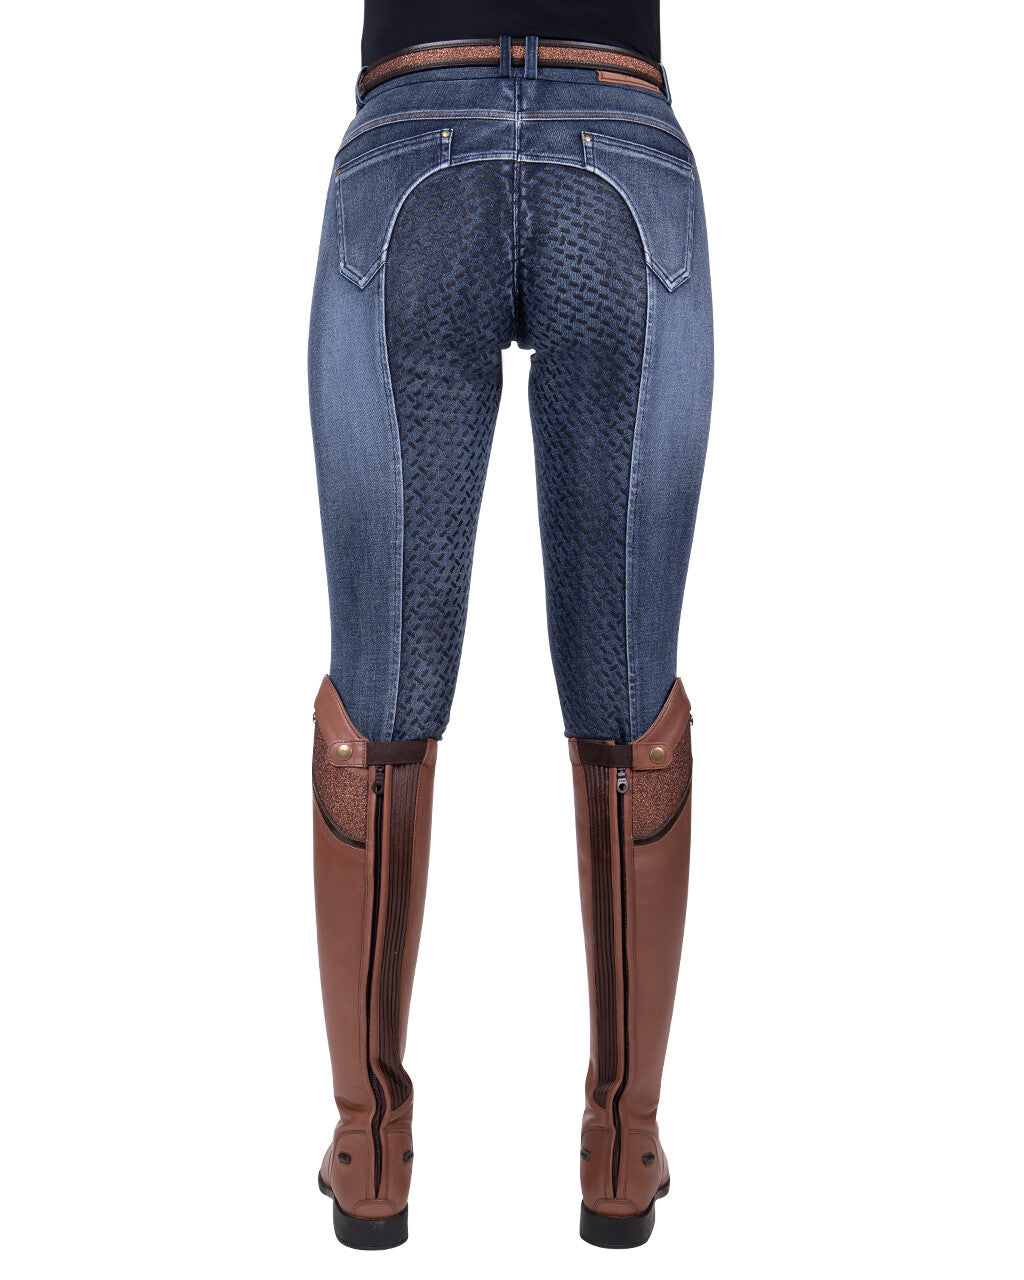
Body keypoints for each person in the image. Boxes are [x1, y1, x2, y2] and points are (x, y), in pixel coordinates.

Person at [308, 1, 713, 1250]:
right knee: (628, 699)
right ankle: (623, 1149)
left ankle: (369, 1151)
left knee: (379, 698)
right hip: (623, 147)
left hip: (409, 148)